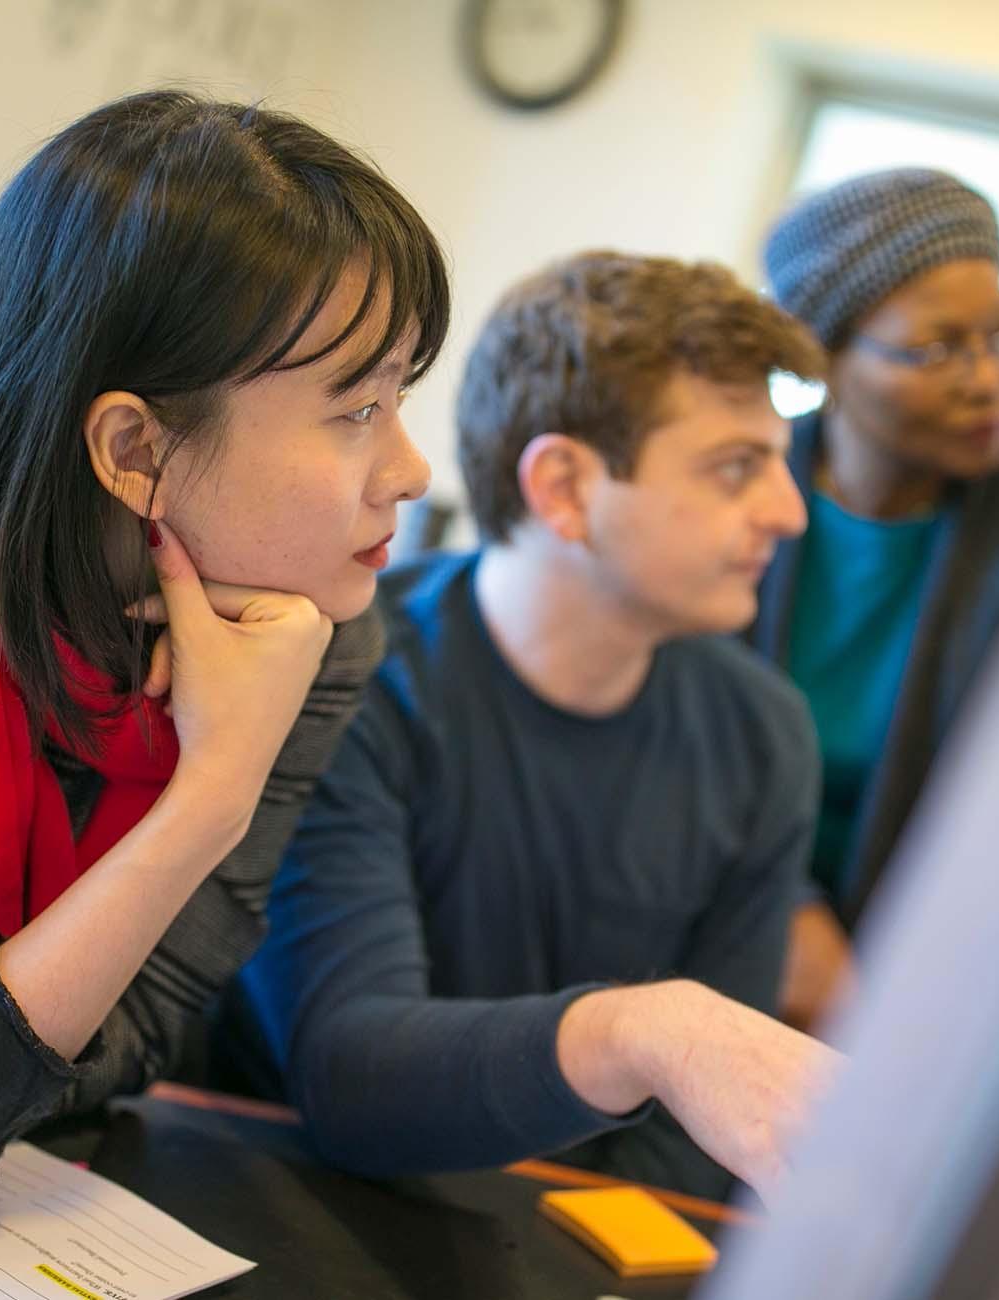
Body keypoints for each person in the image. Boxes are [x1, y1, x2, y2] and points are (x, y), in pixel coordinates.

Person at [0, 89, 450, 1230]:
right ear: (134, 447)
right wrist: (207, 798)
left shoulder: (317, 623)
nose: (408, 467)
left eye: (400, 396)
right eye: (356, 408)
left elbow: (133, 1040)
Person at [218, 252, 841, 1203]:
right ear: (563, 488)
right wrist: (642, 1033)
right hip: (300, 1213)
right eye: (735, 469)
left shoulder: (764, 734)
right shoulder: (345, 679)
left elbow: (703, 1137)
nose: (788, 513)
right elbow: (349, 1077)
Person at [754, 168, 999, 1030]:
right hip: (699, 927)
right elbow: (652, 747)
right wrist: (780, 905)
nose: (989, 379)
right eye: (937, 349)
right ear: (823, 356)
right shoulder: (731, 487)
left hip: (941, 979)